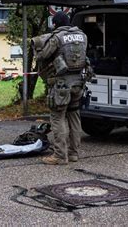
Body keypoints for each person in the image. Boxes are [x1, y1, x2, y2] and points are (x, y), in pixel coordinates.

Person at [31, 11, 89, 165]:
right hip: (78, 82)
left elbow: (42, 56)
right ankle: (74, 153)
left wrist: (37, 45)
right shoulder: (82, 36)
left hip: (61, 85)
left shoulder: (57, 37)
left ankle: (60, 156)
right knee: (74, 116)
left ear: (56, 24)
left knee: (58, 117)